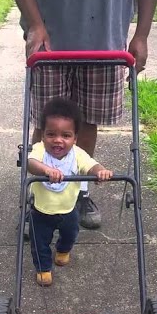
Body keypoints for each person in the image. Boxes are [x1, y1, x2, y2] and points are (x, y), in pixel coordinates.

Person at [4, 0, 157, 231]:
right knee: (48, 121)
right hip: (49, 36)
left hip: (107, 35)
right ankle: (40, 195)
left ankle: (78, 191)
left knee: (87, 120)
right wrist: (35, 24)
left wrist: (142, 34)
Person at [25, 98, 112, 287]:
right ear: (43, 136)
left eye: (66, 135)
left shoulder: (77, 154)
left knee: (71, 234)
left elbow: (91, 165)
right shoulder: (39, 151)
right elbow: (30, 163)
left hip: (69, 210)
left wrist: (100, 172)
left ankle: (63, 250)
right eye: (51, 134)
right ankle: (43, 268)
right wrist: (46, 170)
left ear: (75, 138)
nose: (58, 140)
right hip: (41, 211)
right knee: (39, 242)